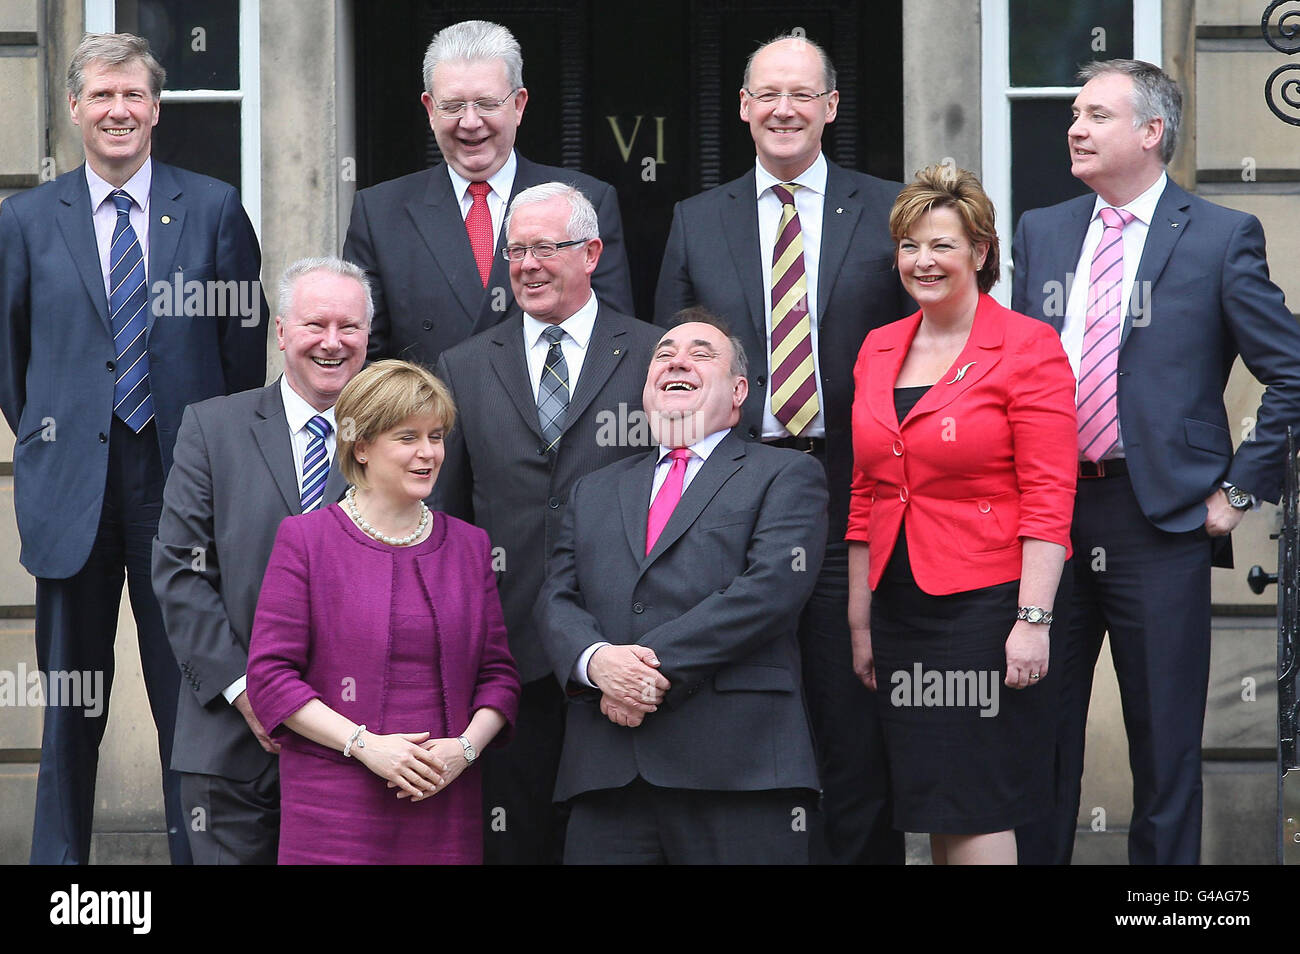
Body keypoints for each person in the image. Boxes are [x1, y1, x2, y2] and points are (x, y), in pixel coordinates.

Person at [1011, 59, 1300, 865]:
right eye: (1074, 112)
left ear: (1151, 132)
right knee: (1038, 736)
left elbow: (1293, 369)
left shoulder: (1218, 235)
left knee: (1165, 748)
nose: (1074, 127)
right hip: (1047, 518)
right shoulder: (1042, 231)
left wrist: (1240, 493)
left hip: (1158, 518)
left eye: (1097, 115)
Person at [0, 32, 267, 865]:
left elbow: (240, 354)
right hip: (72, 488)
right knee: (69, 711)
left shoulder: (215, 207)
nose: (120, 110)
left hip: (180, 487)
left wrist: (211, 465)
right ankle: (60, 878)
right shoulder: (24, 219)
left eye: (135, 96)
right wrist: (59, 434)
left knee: (190, 698)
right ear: (76, 107)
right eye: (102, 96)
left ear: (156, 108)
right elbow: (11, 363)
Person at [653, 32, 911, 864]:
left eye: (802, 94)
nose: (784, 110)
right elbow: (677, 365)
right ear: (742, 108)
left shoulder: (890, 211)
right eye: (767, 94)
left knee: (851, 710)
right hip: (735, 496)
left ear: (832, 107)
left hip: (857, 493)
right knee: (745, 705)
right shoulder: (697, 220)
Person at [847, 162, 1077, 865]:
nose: (923, 261)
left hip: (985, 606)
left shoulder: (1027, 346)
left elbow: (1049, 496)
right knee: (936, 803)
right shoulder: (879, 345)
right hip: (899, 605)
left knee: (978, 802)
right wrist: (860, 620)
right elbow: (865, 491)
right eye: (910, 246)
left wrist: (1031, 623)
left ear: (980, 252)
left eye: (942, 245)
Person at [536, 313, 827, 864]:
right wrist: (597, 664)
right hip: (609, 774)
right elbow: (557, 597)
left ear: (739, 392)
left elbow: (771, 590)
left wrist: (641, 671)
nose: (676, 360)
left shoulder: (784, 474)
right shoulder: (593, 490)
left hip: (738, 769)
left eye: (701, 353)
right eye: (664, 353)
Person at [433, 182, 660, 864]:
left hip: (620, 646)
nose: (527, 264)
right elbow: (445, 516)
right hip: (508, 652)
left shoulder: (656, 355)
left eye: (545, 248)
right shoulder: (465, 366)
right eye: (516, 250)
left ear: (591, 252)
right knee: (514, 839)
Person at [246, 360, 519, 864]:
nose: (428, 453)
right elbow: (270, 678)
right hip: (334, 807)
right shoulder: (306, 540)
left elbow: (498, 675)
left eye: (436, 436)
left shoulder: (470, 546)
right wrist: (365, 746)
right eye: (407, 437)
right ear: (362, 446)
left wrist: (463, 750)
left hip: (444, 802)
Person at [152, 258, 371, 864]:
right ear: (281, 332)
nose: (332, 342)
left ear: (368, 337)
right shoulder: (211, 428)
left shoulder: (403, 439)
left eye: (348, 327)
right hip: (230, 744)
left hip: (360, 748)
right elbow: (180, 575)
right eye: (314, 324)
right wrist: (252, 693)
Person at [343, 18, 633, 367]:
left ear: (519, 104)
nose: (470, 122)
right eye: (452, 106)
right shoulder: (379, 213)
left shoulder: (587, 200)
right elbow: (362, 355)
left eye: (486, 103)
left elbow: (614, 343)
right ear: (430, 110)